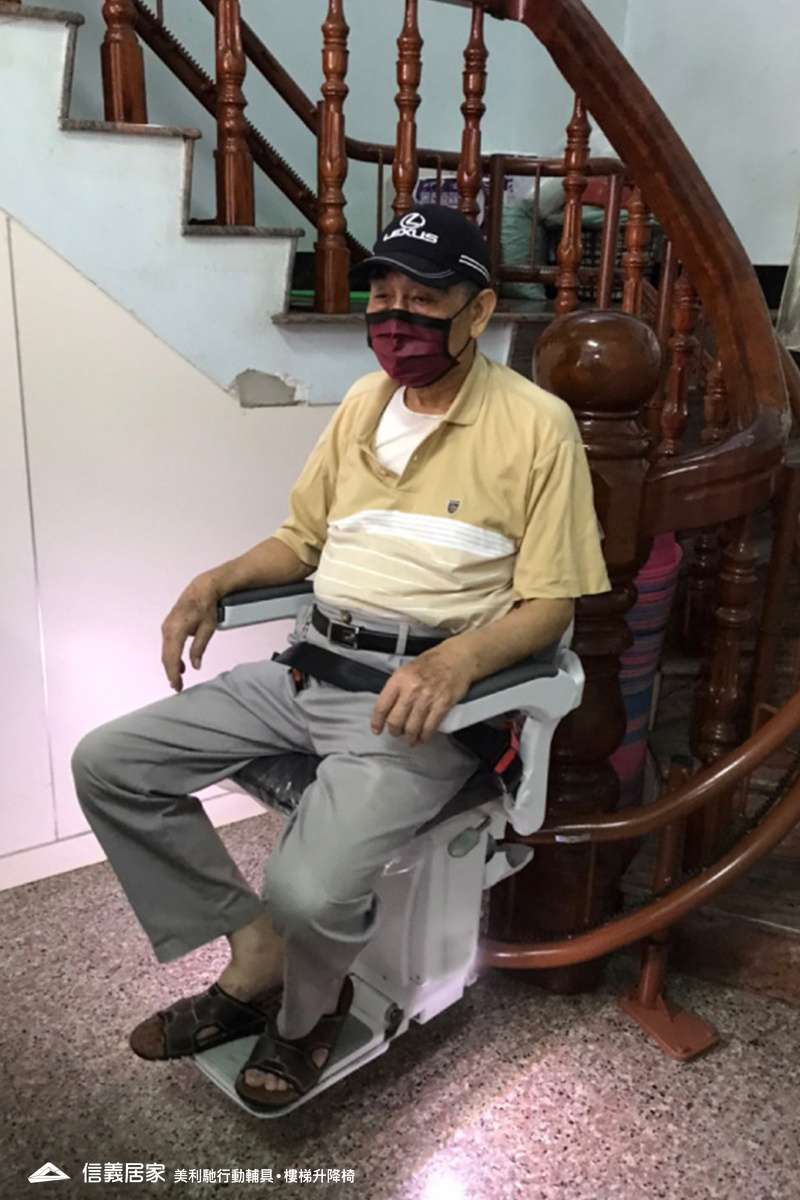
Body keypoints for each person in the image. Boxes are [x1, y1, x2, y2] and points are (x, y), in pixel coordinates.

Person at [71, 204, 610, 1112]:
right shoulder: (364, 403)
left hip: (417, 704)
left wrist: (457, 662)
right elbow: (302, 541)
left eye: (423, 298)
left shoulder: (535, 425)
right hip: (308, 667)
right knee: (112, 762)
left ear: (478, 311)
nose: (396, 318)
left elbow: (552, 602)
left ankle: (309, 1012)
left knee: (308, 889)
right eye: (383, 295)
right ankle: (257, 954)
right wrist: (216, 578)